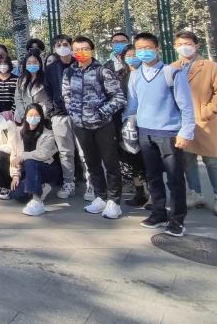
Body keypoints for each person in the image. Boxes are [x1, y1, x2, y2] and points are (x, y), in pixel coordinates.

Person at [125, 32, 197, 237]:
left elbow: (186, 106)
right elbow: (132, 106)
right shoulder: (135, 75)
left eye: (148, 48)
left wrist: (186, 132)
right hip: (144, 133)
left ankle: (177, 219)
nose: (144, 52)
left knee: (175, 178)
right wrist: (128, 126)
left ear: (157, 49)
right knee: (152, 176)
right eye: (140, 49)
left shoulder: (171, 73)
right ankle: (158, 213)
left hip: (168, 132)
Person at [62, 36, 127, 220]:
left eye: (85, 48)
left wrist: (101, 113)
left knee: (110, 163)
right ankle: (100, 197)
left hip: (103, 125)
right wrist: (74, 113)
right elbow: (66, 94)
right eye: (77, 49)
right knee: (92, 163)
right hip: (81, 126)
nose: (81, 52)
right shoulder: (69, 72)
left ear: (91, 50)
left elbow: (119, 98)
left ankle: (114, 201)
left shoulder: (102, 71)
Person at [174, 30, 217, 217]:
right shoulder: (173, 67)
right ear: (175, 47)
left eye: (188, 44)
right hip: (182, 122)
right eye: (180, 44)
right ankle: (195, 192)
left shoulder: (210, 66)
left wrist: (210, 110)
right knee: (187, 159)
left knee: (211, 160)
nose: (184, 47)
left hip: (204, 121)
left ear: (196, 46)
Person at [105, 32, 147, 208]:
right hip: (125, 121)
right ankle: (139, 191)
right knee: (131, 155)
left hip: (146, 121)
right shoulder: (119, 73)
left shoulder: (147, 72)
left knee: (147, 157)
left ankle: (152, 193)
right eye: (128, 56)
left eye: (134, 54)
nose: (131, 58)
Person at [8, 104, 62, 216]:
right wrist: (15, 175)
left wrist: (23, 156)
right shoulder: (18, 132)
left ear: (41, 117)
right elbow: (13, 155)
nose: (33, 117)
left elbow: (43, 154)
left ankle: (37, 202)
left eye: (36, 115)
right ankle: (41, 186)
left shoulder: (48, 134)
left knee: (30, 161)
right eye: (30, 114)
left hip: (47, 169)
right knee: (16, 194)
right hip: (29, 171)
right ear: (25, 116)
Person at [44, 35, 81, 199]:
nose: (62, 47)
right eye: (58, 45)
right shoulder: (51, 68)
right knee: (65, 152)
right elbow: (47, 91)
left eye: (65, 44)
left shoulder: (80, 63)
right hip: (60, 115)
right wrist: (52, 112)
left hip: (81, 114)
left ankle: (92, 184)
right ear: (54, 49)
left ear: (71, 46)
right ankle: (68, 183)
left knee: (84, 151)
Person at [13, 53, 50, 124]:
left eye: (35, 62)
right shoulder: (21, 80)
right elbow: (18, 98)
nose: (32, 65)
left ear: (40, 64)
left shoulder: (46, 79)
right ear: (25, 65)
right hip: (24, 116)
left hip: (42, 115)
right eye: (29, 63)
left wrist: (41, 115)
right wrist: (24, 115)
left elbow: (48, 99)